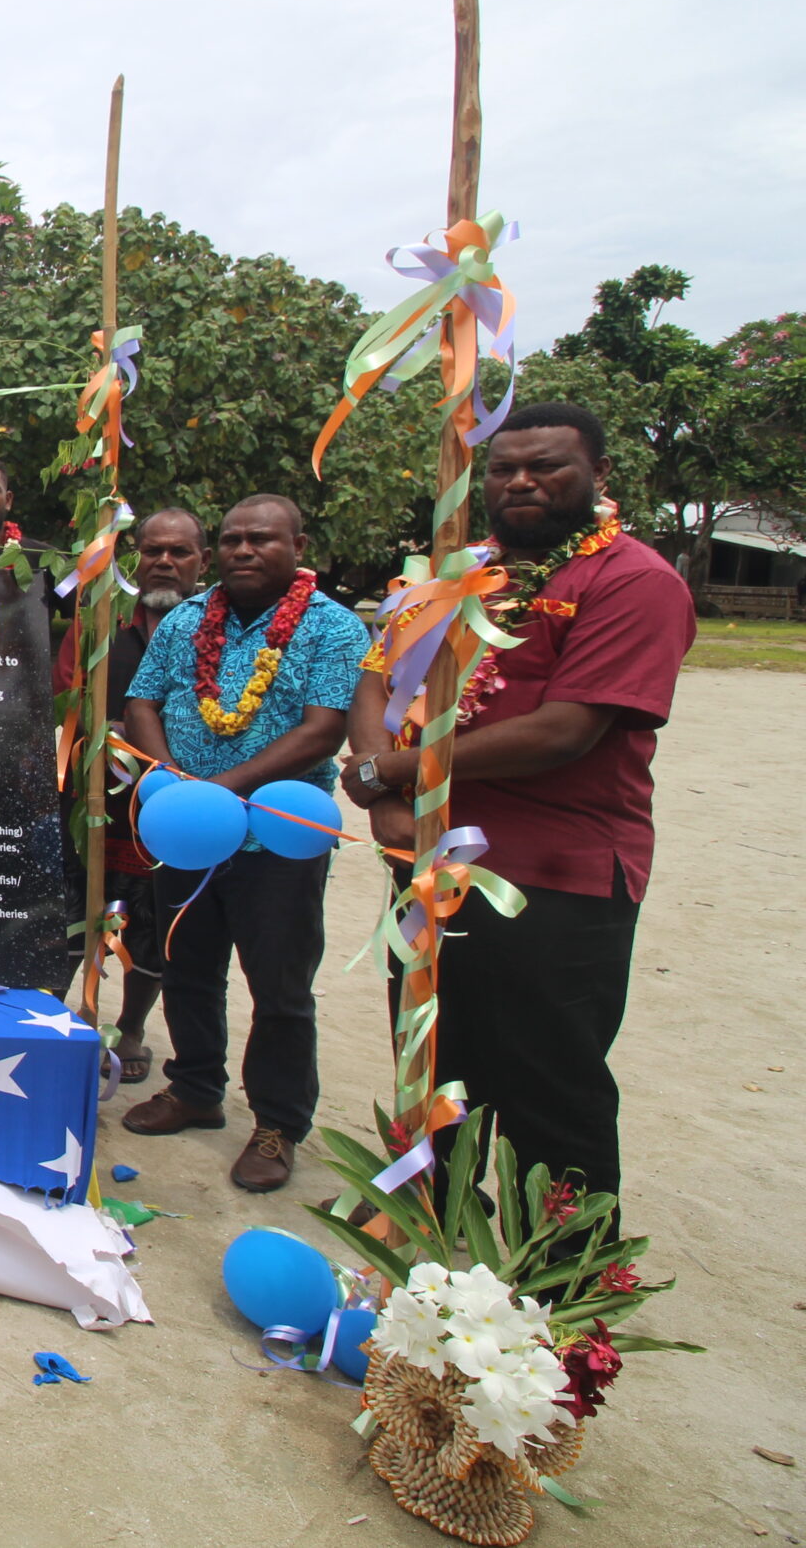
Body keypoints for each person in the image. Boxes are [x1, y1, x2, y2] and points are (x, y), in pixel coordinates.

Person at [341, 403, 694, 1204]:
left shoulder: (633, 580)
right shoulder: (454, 573)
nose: (522, 481)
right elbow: (377, 676)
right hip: (426, 867)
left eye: (548, 466)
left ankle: (567, 1290)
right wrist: (377, 787)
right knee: (431, 1058)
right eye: (504, 468)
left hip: (550, 881)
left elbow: (564, 732)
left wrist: (394, 771)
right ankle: (432, 1237)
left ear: (600, 475)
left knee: (548, 1089)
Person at [119, 494, 368, 1191]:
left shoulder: (333, 628)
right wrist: (170, 778)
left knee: (280, 988)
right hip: (188, 832)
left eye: (261, 538)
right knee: (189, 970)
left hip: (278, 841)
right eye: (231, 539)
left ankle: (277, 1124)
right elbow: (142, 699)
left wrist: (221, 790)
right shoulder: (188, 620)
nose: (242, 550)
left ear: (298, 542)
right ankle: (195, 1089)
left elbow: (324, 729)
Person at [93, 507, 209, 1083]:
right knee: (83, 912)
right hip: (100, 804)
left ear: (201, 562)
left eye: (179, 552)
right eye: (152, 551)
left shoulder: (219, 632)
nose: (164, 562)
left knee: (154, 926)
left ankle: (132, 1028)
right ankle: (74, 1018)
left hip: (182, 809)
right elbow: (67, 691)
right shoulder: (102, 622)